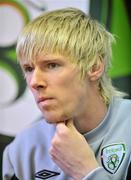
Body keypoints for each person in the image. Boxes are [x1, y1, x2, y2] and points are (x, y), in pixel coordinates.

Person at [2, 7, 131, 180]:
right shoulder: (21, 150)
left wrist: (86, 171)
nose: (34, 82)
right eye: (29, 69)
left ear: (94, 67)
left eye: (52, 65)